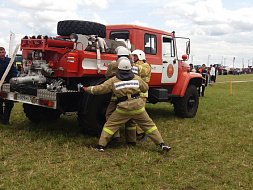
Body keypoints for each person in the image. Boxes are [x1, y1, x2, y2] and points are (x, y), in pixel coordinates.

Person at [83, 59, 171, 152]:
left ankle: (101, 146)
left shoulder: (113, 80)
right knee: (149, 125)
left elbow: (100, 89)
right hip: (138, 106)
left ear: (119, 69)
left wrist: (87, 89)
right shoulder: (137, 78)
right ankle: (162, 144)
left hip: (123, 108)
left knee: (110, 125)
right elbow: (145, 88)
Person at [105, 46, 136, 145]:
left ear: (118, 55)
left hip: (117, 95)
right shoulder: (134, 65)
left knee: (111, 115)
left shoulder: (114, 64)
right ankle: (131, 140)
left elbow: (107, 75)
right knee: (131, 118)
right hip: (132, 96)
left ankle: (116, 137)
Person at [129, 49, 151, 141]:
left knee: (140, 114)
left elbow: (142, 71)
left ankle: (145, 132)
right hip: (135, 93)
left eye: (134, 56)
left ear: (139, 57)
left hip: (142, 94)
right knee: (134, 114)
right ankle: (138, 132)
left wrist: (132, 64)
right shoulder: (136, 65)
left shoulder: (146, 65)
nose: (133, 58)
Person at [0, 47, 17, 124]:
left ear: (5, 52)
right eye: (0, 52)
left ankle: (6, 119)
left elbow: (14, 70)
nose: (2, 54)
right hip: (0, 84)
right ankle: (1, 118)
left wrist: (13, 79)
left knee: (9, 103)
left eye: (3, 52)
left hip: (9, 84)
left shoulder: (9, 61)